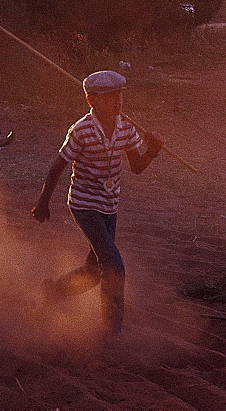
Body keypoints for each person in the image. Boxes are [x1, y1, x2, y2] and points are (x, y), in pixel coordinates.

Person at [32, 69, 163, 334]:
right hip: (84, 205)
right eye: (110, 95)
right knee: (113, 265)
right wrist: (43, 202)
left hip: (109, 205)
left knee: (94, 271)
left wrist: (151, 151)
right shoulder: (81, 130)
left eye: (119, 94)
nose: (118, 100)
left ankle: (55, 292)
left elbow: (136, 166)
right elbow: (58, 165)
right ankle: (111, 331)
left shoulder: (126, 127)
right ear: (91, 100)